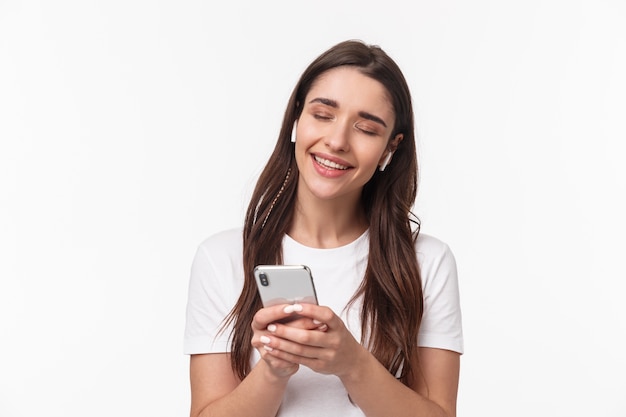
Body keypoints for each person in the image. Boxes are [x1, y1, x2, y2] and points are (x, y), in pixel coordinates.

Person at [184, 39, 463, 417]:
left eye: (366, 128)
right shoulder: (223, 258)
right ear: (297, 119)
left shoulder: (425, 262)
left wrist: (352, 363)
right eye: (323, 114)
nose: (336, 141)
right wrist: (274, 368)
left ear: (389, 149)